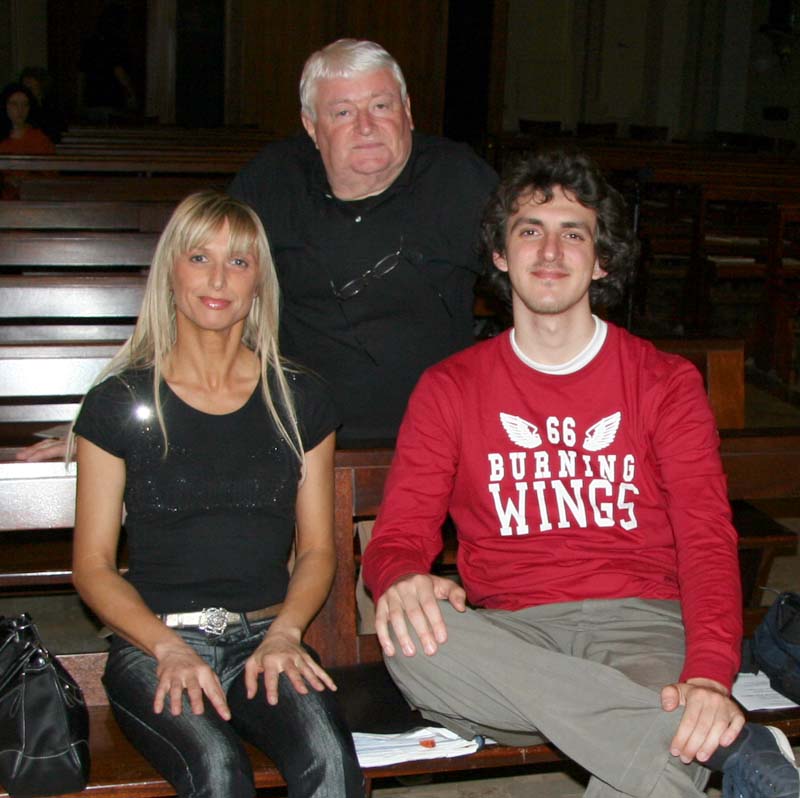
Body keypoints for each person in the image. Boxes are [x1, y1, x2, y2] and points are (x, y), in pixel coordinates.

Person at [362, 151, 800, 798]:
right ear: (501, 255)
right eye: (529, 230)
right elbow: (399, 535)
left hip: (642, 623)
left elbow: (706, 538)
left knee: (664, 740)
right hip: (510, 636)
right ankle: (734, 744)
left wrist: (709, 676)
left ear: (602, 261)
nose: (550, 251)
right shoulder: (451, 387)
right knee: (413, 640)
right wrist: (400, 578)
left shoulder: (663, 382)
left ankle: (678, 727)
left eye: (574, 233)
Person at [70, 191, 364, 798]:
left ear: (259, 281)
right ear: (171, 271)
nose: (218, 279)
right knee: (218, 767)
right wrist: (167, 649)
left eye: (238, 262)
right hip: (155, 640)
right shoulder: (119, 402)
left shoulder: (298, 399)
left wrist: (286, 632)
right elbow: (92, 566)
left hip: (267, 636)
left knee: (329, 757)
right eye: (200, 257)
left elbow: (316, 550)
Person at [230, 38, 498, 447]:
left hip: (438, 440)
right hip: (302, 441)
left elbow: (529, 284)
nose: (366, 127)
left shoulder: (459, 180)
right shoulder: (272, 182)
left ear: (407, 111)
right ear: (310, 125)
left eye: (381, 106)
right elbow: (215, 289)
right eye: (343, 112)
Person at [0, 82, 56, 199]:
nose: (20, 110)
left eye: (25, 105)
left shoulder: (39, 138)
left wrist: (28, 179)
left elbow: (51, 175)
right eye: (14, 104)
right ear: (5, 106)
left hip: (32, 198)